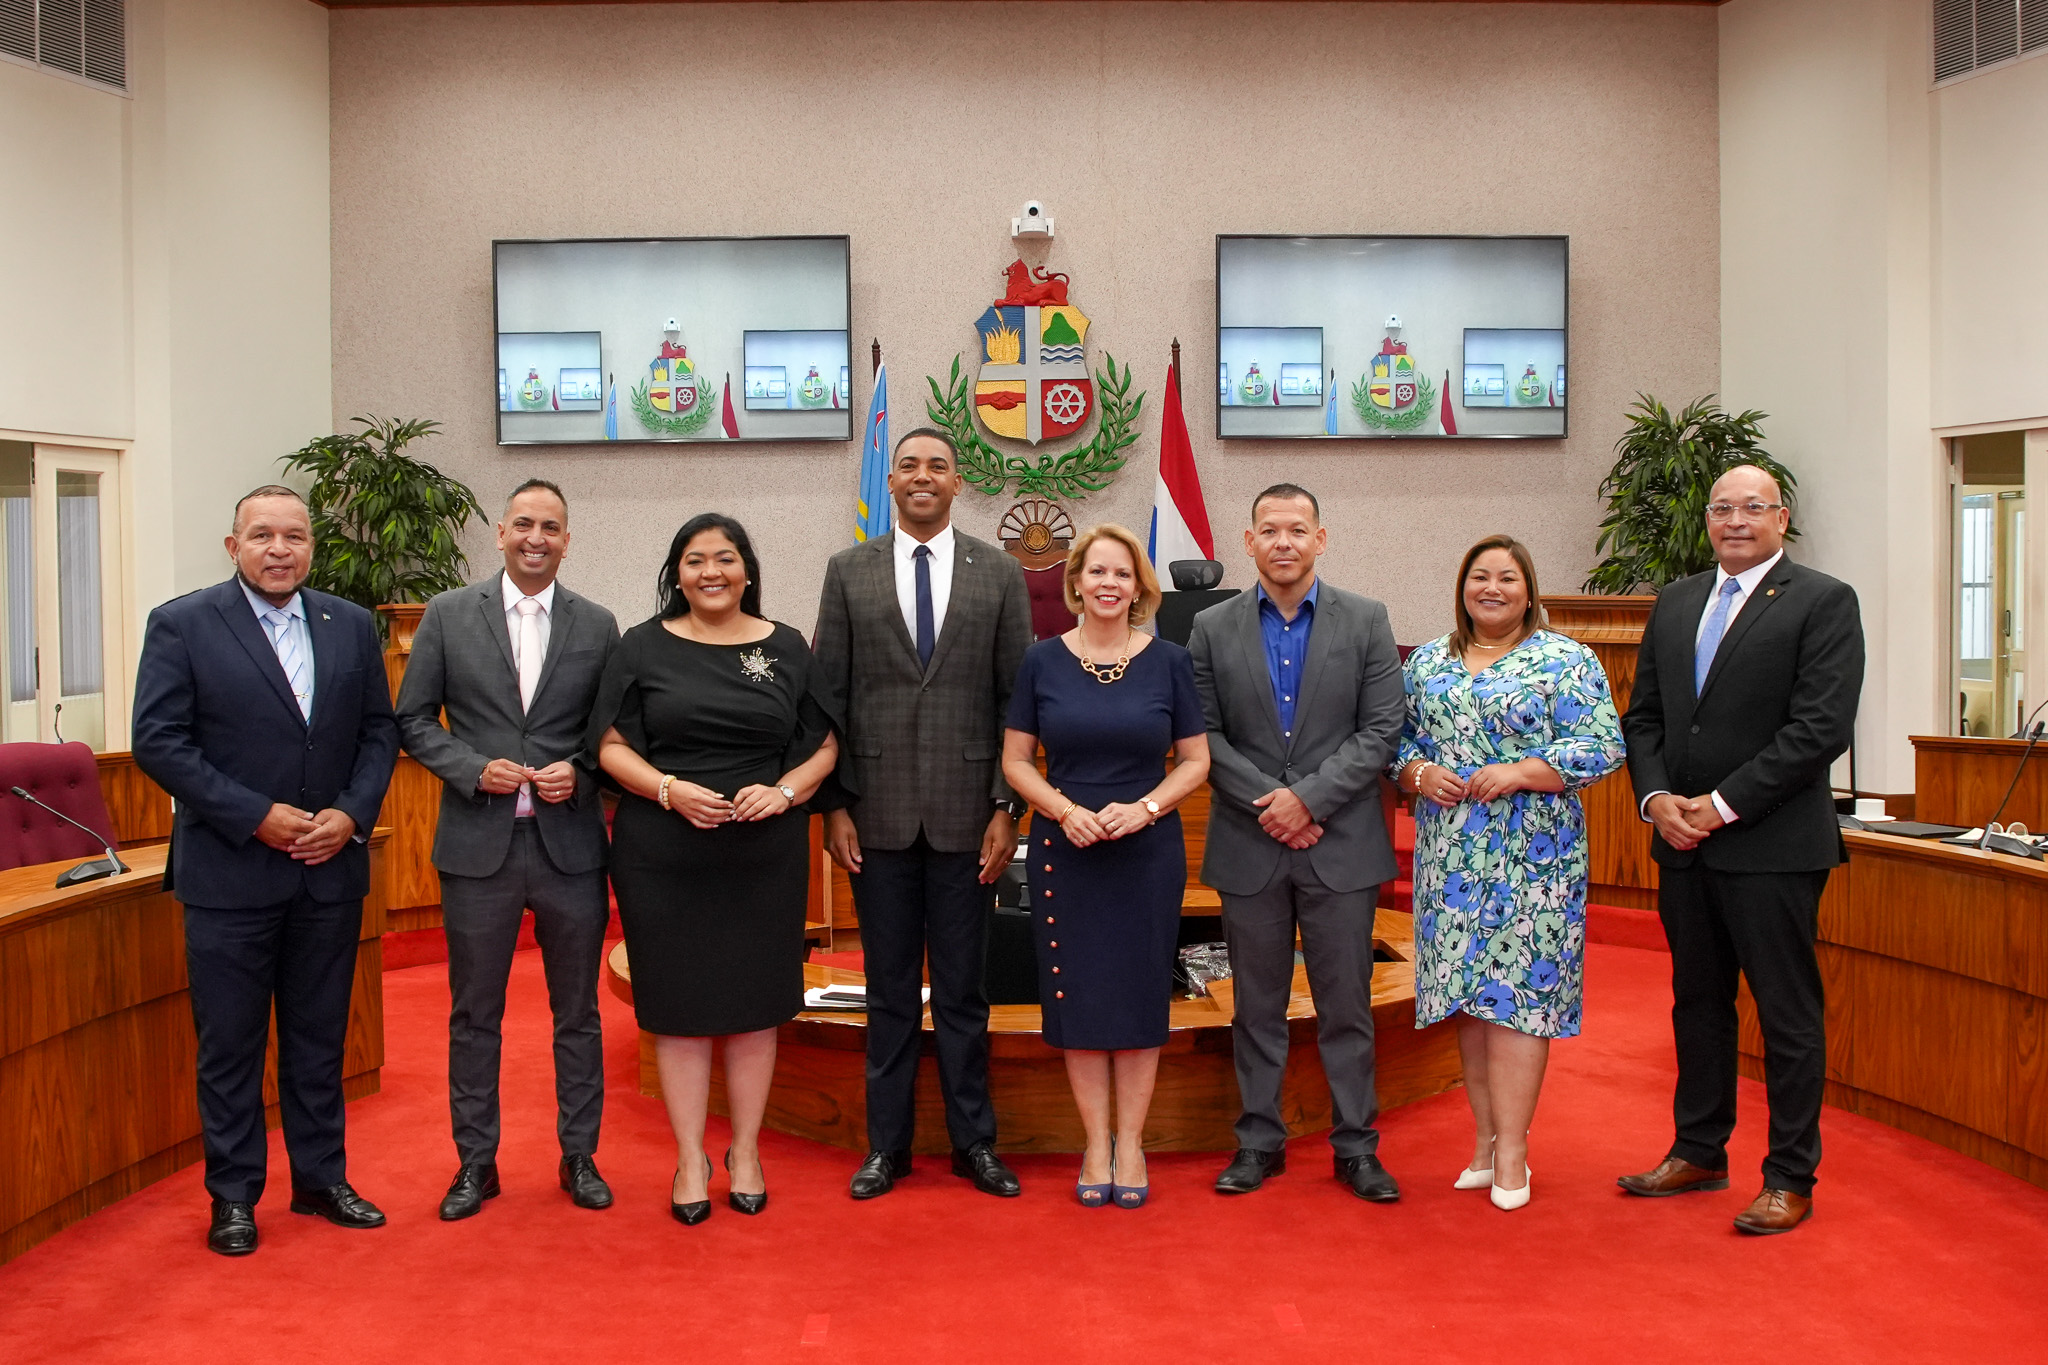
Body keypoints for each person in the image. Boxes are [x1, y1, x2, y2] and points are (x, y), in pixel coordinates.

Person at [132, 485, 400, 1256]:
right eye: (262, 536)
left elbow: (378, 732)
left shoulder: (349, 624)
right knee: (232, 1046)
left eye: (294, 536)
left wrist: (351, 813)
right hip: (231, 874)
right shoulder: (183, 623)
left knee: (319, 1039)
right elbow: (159, 740)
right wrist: (255, 814)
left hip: (328, 869)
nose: (279, 549)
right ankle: (233, 1195)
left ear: (312, 546)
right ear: (234, 546)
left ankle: (320, 1178)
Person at [1619, 464, 1862, 1235]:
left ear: (1780, 518)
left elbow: (1820, 729)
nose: (1735, 520)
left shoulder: (1823, 601)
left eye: (1752, 507)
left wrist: (1721, 805)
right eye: (1722, 508)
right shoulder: (1678, 600)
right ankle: (1699, 1149)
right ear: (1708, 520)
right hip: (1682, 846)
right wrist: (1658, 799)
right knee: (1697, 1004)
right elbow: (1646, 718)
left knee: (1787, 1016)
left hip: (1772, 846)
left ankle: (1790, 1175)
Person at [591, 514, 838, 1224]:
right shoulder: (641, 645)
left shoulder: (785, 645)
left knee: (757, 1007)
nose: (711, 572)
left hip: (763, 852)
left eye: (725, 558)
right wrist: (668, 789)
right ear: (677, 574)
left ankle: (748, 1151)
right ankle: (690, 1157)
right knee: (680, 1009)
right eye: (695, 560)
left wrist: (785, 792)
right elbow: (609, 744)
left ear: (747, 570)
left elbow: (825, 743)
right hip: (664, 852)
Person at [811, 428, 1034, 1200]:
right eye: (908, 464)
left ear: (957, 481)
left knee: (966, 992)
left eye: (937, 465)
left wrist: (1007, 806)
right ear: (892, 480)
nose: (922, 476)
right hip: (874, 817)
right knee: (889, 989)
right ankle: (887, 1146)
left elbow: (1017, 701)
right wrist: (834, 804)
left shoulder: (998, 572)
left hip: (971, 817)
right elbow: (830, 696)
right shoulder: (849, 570)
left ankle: (975, 1143)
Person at [394, 479, 620, 1221]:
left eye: (550, 527)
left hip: (569, 847)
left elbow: (614, 733)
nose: (535, 538)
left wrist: (580, 771)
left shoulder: (598, 624)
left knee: (578, 1013)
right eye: (523, 524)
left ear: (567, 539)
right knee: (474, 1014)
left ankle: (579, 1154)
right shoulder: (448, 614)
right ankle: (475, 1162)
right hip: (477, 845)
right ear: (499, 533)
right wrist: (469, 768)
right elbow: (412, 719)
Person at [1391, 535, 1624, 1210]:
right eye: (1479, 577)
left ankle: (1515, 1151)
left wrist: (1521, 770)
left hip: (1534, 854)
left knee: (1517, 999)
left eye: (1507, 578)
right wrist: (1417, 772)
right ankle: (1485, 1142)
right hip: (1449, 853)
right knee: (1467, 998)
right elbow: (1395, 741)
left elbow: (1603, 744)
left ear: (1528, 592)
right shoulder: (1428, 661)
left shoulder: (1564, 659)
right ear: (1462, 587)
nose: (1491, 588)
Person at [1189, 483, 1406, 1203]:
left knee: (1346, 1006)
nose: (1284, 542)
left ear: (1321, 538)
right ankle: (1258, 1142)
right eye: (1270, 530)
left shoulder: (1366, 619)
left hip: (1339, 844)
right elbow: (1200, 734)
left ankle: (1356, 1147)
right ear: (1249, 541)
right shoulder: (1211, 627)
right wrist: (1274, 804)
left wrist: (1307, 800)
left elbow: (1381, 729)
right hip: (1249, 845)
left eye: (1297, 529)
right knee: (1256, 1006)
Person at [1001, 524, 1211, 1208]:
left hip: (1146, 852)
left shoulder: (1171, 661)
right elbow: (1015, 761)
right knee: (1081, 998)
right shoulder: (1041, 662)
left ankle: (1134, 1142)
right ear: (1076, 583)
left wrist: (1147, 808)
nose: (1109, 584)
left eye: (1122, 573)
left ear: (1140, 586)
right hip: (1068, 850)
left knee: (1141, 993)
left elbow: (1196, 761)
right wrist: (1063, 810)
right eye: (1097, 572)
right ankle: (1096, 1143)